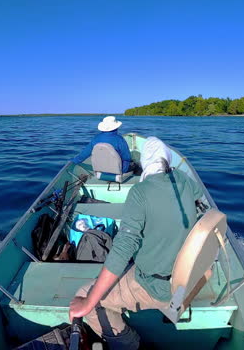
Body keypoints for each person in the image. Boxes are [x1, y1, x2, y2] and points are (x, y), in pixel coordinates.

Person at [69, 137, 204, 350]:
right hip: (191, 277)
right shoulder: (184, 179)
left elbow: (124, 248)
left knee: (86, 296)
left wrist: (87, 303)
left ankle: (130, 346)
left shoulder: (139, 192)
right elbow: (202, 204)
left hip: (157, 286)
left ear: (145, 164)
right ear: (168, 159)